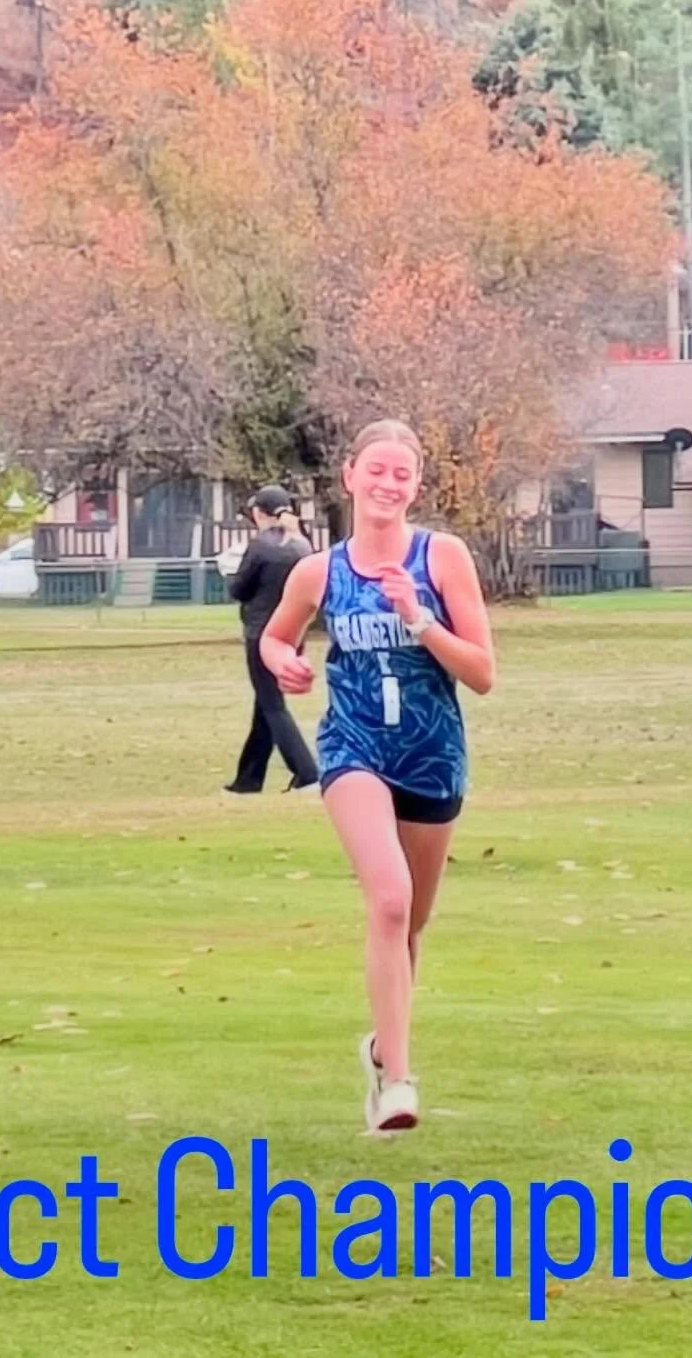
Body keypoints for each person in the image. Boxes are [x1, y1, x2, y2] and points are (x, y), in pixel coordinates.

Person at [259, 421, 494, 1131]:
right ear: (350, 475)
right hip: (354, 748)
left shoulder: (442, 557)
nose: (388, 484)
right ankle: (398, 1083)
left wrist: (418, 618)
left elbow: (482, 672)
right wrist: (283, 662)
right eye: (377, 469)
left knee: (411, 926)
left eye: (402, 473)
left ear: (415, 486)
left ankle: (380, 1049)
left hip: (432, 756)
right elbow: (275, 634)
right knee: (389, 901)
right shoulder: (320, 571)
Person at [224, 485, 320, 795]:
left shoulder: (260, 546)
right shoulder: (302, 545)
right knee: (264, 706)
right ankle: (248, 779)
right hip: (294, 633)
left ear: (259, 512)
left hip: (262, 633)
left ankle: (307, 772)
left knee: (272, 705)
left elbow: (239, 589)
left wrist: (230, 572)